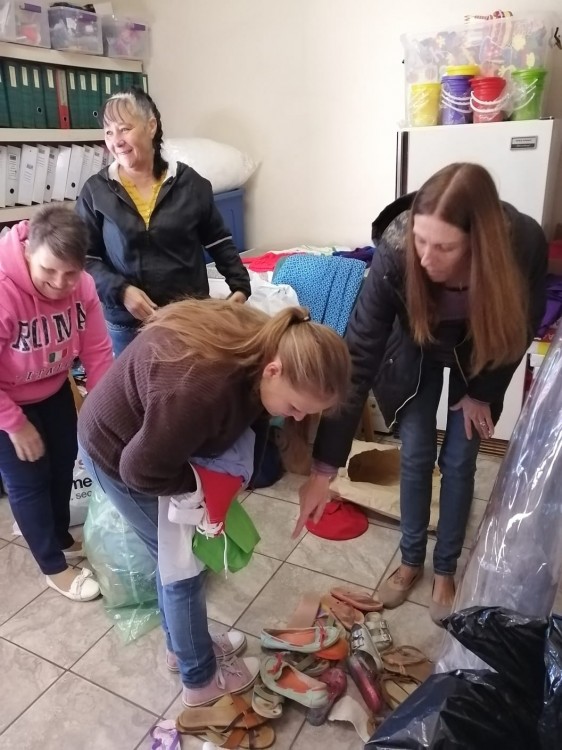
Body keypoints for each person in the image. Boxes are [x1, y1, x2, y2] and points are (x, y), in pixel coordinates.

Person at [295, 163, 548, 624]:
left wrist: (483, 393)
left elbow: (520, 327)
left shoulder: (522, 244)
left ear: (480, 244)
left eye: (444, 247)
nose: (427, 258)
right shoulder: (396, 250)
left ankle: (445, 569)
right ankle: (411, 560)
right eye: (421, 241)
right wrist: (323, 468)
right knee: (414, 454)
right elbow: (359, 357)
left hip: (481, 352)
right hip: (414, 345)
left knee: (459, 459)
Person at [78, 299, 351, 706]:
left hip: (147, 443)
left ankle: (183, 649)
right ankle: (199, 679)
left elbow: (257, 420)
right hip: (116, 452)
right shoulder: (202, 388)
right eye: (295, 407)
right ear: (273, 370)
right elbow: (139, 470)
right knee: (182, 566)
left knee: (176, 558)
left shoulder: (269, 345)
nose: (296, 419)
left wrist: (230, 483)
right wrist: (203, 487)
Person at [76, 87, 251, 356]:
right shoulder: (95, 191)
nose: (116, 141)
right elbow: (85, 258)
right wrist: (122, 291)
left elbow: (219, 241)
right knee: (133, 385)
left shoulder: (190, 184)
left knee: (188, 382)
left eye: (124, 129)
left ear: (151, 126)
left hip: (187, 320)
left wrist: (240, 286)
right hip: (127, 325)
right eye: (109, 132)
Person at [0, 205, 113, 601]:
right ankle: (53, 567)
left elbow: (97, 352)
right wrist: (15, 424)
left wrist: (102, 411)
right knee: (29, 481)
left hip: (53, 389)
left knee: (63, 466)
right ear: (29, 251)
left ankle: (60, 536)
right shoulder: (4, 289)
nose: (59, 284)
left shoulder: (83, 286)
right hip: (8, 402)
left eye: (71, 273)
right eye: (48, 270)